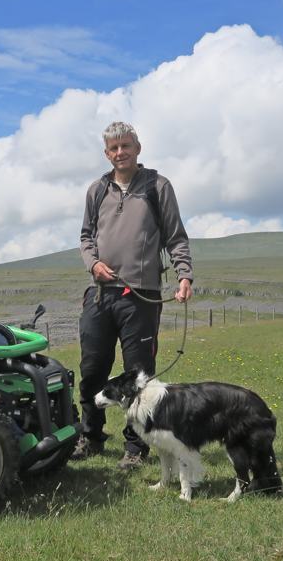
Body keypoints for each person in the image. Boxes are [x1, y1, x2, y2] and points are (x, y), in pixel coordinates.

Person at [73, 121, 194, 470]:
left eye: (126, 146)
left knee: (139, 375)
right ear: (106, 153)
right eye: (113, 148)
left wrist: (184, 273)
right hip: (100, 295)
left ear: (137, 147)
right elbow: (85, 237)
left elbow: (176, 237)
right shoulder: (97, 190)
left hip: (141, 296)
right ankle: (90, 436)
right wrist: (93, 264)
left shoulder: (158, 186)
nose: (120, 153)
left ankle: (136, 447)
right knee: (92, 369)